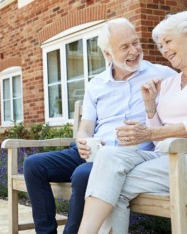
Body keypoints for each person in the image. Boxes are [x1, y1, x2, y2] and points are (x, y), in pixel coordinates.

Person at [23, 18, 177, 234]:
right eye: (125, 47)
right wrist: (82, 141)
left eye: (136, 43)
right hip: (94, 151)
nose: (134, 51)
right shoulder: (96, 85)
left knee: (83, 174)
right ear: (108, 54)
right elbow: (86, 126)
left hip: (127, 157)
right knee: (33, 165)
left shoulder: (163, 75)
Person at [79, 11, 187, 234]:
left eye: (168, 42)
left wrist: (148, 135)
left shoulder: (163, 74)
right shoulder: (170, 82)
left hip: (181, 159)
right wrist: (150, 106)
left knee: (110, 186)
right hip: (164, 159)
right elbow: (158, 137)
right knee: (109, 165)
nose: (164, 50)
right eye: (160, 45)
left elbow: (154, 136)